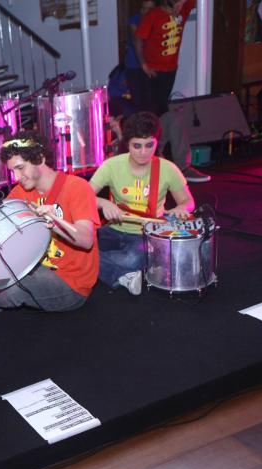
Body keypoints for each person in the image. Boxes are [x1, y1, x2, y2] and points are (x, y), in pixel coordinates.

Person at [0, 131, 99, 347]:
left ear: (39, 158)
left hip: (70, 285)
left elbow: (86, 240)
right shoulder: (20, 192)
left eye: (20, 168)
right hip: (33, 268)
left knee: (5, 292)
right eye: (12, 171)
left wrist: (54, 222)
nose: (16, 177)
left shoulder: (76, 187)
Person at [90, 111, 195, 295]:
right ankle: (128, 273)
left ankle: (106, 267)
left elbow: (188, 202)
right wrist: (103, 203)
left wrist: (181, 207)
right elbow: (83, 195)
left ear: (156, 142)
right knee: (78, 246)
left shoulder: (168, 169)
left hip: (146, 235)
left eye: (149, 145)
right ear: (127, 143)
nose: (143, 152)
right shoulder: (112, 165)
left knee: (131, 259)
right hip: (113, 229)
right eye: (137, 146)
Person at [134, 0, 210, 182]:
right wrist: (143, 64)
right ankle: (153, 159)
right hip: (153, 71)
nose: (179, 6)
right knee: (154, 114)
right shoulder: (153, 15)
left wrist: (181, 3)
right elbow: (138, 39)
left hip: (170, 69)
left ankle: (169, 161)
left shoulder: (184, 8)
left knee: (164, 112)